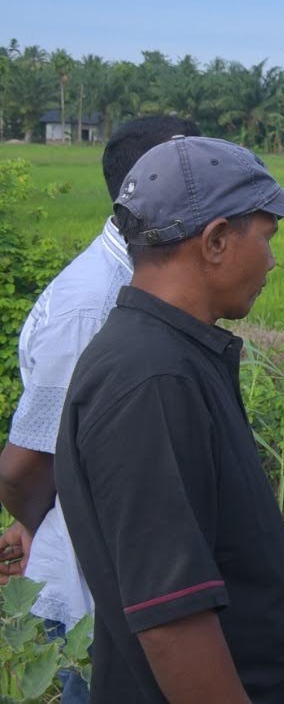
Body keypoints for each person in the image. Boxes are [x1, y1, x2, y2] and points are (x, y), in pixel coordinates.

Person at [53, 136, 284, 703]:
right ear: (217, 241)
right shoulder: (151, 380)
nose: (273, 260)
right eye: (268, 237)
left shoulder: (169, 355)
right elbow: (173, 620)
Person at [0, 115, 198, 704]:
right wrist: (42, 525)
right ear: (151, 186)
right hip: (85, 595)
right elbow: (28, 463)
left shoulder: (139, 275)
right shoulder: (93, 302)